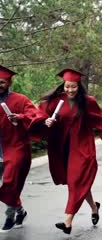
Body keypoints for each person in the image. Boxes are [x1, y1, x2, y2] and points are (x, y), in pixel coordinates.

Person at [32, 68, 102, 234]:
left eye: (73, 87)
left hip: (81, 146)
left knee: (76, 182)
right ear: (63, 85)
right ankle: (94, 207)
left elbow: (98, 117)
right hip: (61, 146)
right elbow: (39, 115)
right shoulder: (54, 101)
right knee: (79, 184)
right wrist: (47, 122)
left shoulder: (87, 101)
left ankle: (68, 221)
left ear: (78, 86)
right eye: (67, 86)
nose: (70, 90)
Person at [0, 66, 38, 232]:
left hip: (16, 147)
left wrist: (20, 117)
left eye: (1, 82)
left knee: (10, 184)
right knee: (10, 185)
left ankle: (9, 216)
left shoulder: (20, 100)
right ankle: (20, 211)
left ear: (9, 82)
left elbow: (35, 115)